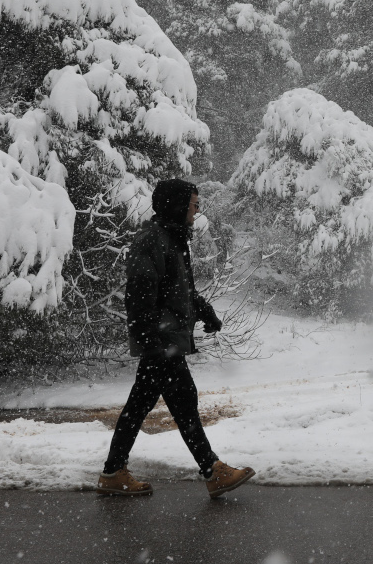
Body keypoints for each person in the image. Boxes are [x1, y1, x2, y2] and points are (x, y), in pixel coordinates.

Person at [96, 179, 255, 498]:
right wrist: (151, 339)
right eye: (193, 205)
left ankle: (114, 472)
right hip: (160, 340)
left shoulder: (172, 238)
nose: (196, 211)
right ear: (176, 206)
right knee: (183, 401)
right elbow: (139, 294)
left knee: (146, 405)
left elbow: (178, 289)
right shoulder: (152, 239)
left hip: (166, 339)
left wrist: (204, 310)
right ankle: (212, 471)